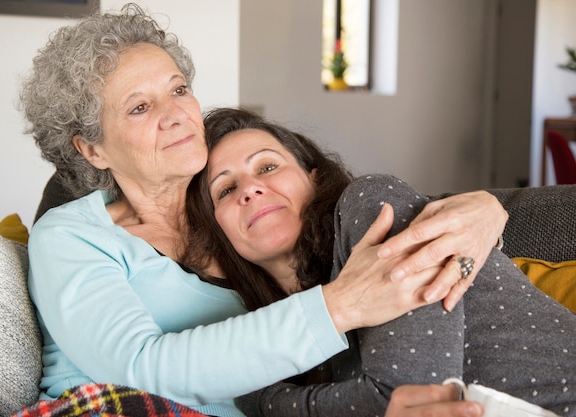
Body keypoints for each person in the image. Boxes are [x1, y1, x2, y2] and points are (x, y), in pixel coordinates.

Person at [21, 4, 508, 417]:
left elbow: (369, 218)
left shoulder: (242, 212)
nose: (176, 115)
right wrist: (342, 304)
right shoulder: (71, 235)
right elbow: (142, 370)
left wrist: (490, 209)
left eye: (177, 89)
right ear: (92, 150)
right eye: (139, 108)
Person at [186, 107, 576, 417]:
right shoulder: (287, 337)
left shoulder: (372, 201)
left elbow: (417, 399)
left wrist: (261, 399)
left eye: (267, 166)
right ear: (218, 234)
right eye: (225, 189)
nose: (250, 189)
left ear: (314, 177)